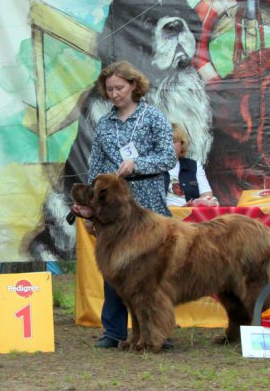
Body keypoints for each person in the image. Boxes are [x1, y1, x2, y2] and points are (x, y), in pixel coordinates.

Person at [85, 60, 176, 348]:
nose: (114, 94)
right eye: (109, 89)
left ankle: (158, 331)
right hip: (113, 214)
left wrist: (136, 164)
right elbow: (95, 169)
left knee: (152, 275)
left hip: (149, 208)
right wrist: (90, 211)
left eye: (119, 88)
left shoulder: (154, 118)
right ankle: (113, 331)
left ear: (134, 85)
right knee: (114, 267)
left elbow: (168, 157)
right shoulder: (104, 125)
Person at [164, 123, 215, 207]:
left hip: (191, 216)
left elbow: (207, 195)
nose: (169, 145)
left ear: (182, 144)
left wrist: (202, 202)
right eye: (165, 141)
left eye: (173, 141)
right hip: (160, 217)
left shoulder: (194, 166)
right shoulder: (149, 166)